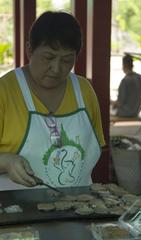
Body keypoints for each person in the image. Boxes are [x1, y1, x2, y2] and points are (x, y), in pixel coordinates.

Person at [0, 11, 105, 190]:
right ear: (29, 50)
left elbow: (96, 148)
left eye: (66, 60)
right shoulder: (5, 91)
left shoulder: (84, 91)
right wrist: (5, 161)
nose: (56, 68)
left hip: (80, 209)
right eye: (48, 57)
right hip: (15, 212)